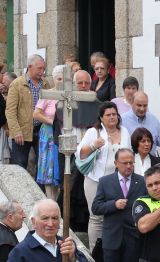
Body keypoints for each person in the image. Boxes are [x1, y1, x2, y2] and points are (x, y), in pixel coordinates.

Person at [91, 148, 146, 262]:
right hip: (112, 236)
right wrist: (113, 205)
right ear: (116, 163)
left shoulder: (141, 181)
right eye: (125, 163)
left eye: (131, 162)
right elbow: (96, 207)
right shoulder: (106, 182)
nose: (129, 166)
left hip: (133, 236)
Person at [75, 101, 132, 250]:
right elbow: (79, 154)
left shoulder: (124, 131)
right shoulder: (93, 132)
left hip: (118, 181)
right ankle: (95, 252)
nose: (112, 117)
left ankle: (112, 248)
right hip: (96, 180)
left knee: (116, 214)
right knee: (96, 216)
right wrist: (94, 145)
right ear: (101, 118)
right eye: (108, 115)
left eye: (114, 114)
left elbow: (129, 155)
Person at [53, 69, 102, 233]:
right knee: (70, 191)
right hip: (69, 154)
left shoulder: (96, 104)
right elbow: (58, 132)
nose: (83, 86)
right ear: (73, 84)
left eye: (86, 83)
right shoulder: (64, 103)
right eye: (80, 83)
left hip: (90, 155)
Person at [6, 54, 49, 170]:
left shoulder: (45, 83)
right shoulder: (16, 84)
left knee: (42, 165)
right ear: (29, 67)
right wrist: (16, 131)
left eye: (43, 68)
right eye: (39, 68)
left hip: (41, 130)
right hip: (22, 132)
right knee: (20, 166)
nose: (42, 71)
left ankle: (39, 189)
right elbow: (10, 111)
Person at [33, 64, 64, 199]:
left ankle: (57, 200)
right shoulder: (48, 94)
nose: (61, 82)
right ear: (54, 79)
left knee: (59, 165)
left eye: (64, 79)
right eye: (58, 79)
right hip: (49, 133)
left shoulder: (69, 94)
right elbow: (36, 114)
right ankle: (50, 199)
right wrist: (52, 122)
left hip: (63, 133)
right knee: (48, 167)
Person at [0, 71, 17, 164]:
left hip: (13, 130)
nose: (2, 85)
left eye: (4, 82)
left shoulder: (14, 95)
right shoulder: (0, 94)